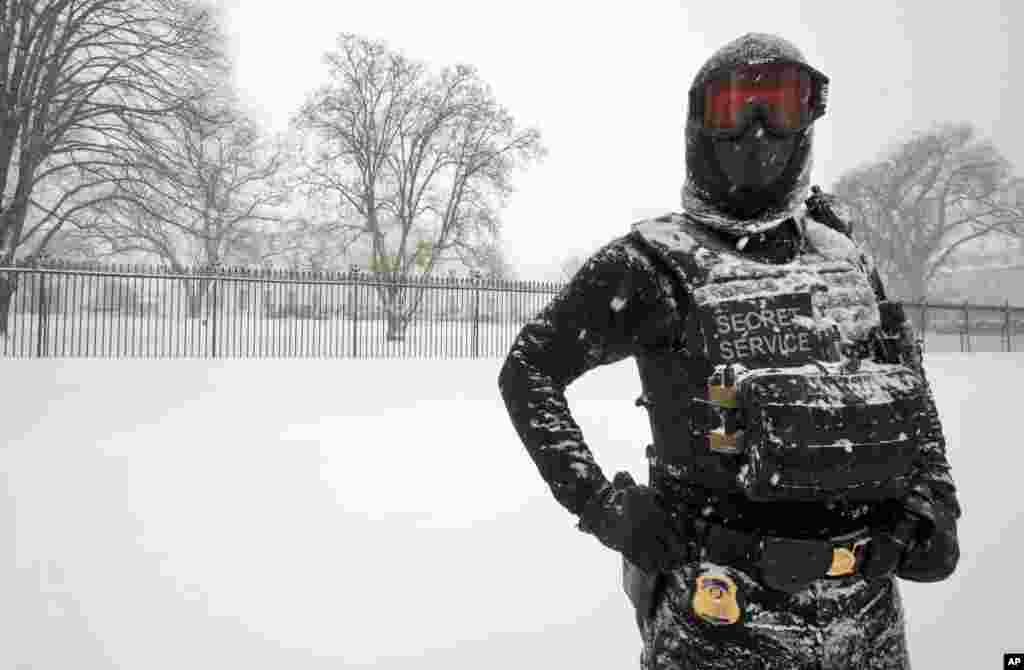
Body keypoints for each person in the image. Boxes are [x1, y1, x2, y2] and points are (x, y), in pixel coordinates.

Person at [497, 33, 960, 670]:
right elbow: (529, 370)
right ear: (699, 125)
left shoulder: (845, 258)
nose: (758, 131)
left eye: (780, 105)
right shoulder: (652, 264)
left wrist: (934, 500)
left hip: (867, 619)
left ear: (809, 118)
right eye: (734, 109)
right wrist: (603, 507)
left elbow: (907, 386)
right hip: (718, 624)